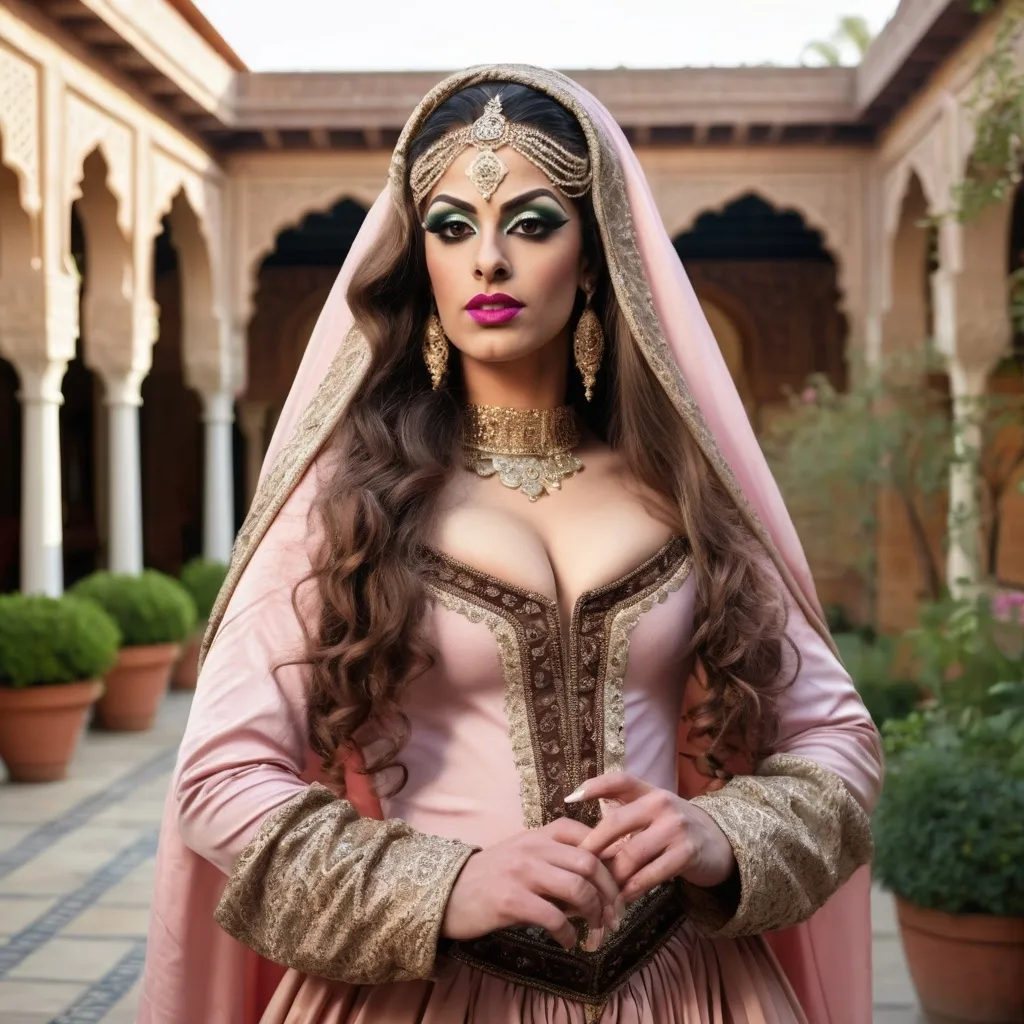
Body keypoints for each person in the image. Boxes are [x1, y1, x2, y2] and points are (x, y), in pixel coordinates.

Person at [138, 66, 882, 1024]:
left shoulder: (690, 493)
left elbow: (839, 737)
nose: (488, 259)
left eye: (531, 224)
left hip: (687, 988)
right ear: (424, 264)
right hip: (423, 988)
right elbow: (218, 776)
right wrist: (444, 886)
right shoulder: (350, 505)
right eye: (452, 228)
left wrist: (722, 833)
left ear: (595, 255)